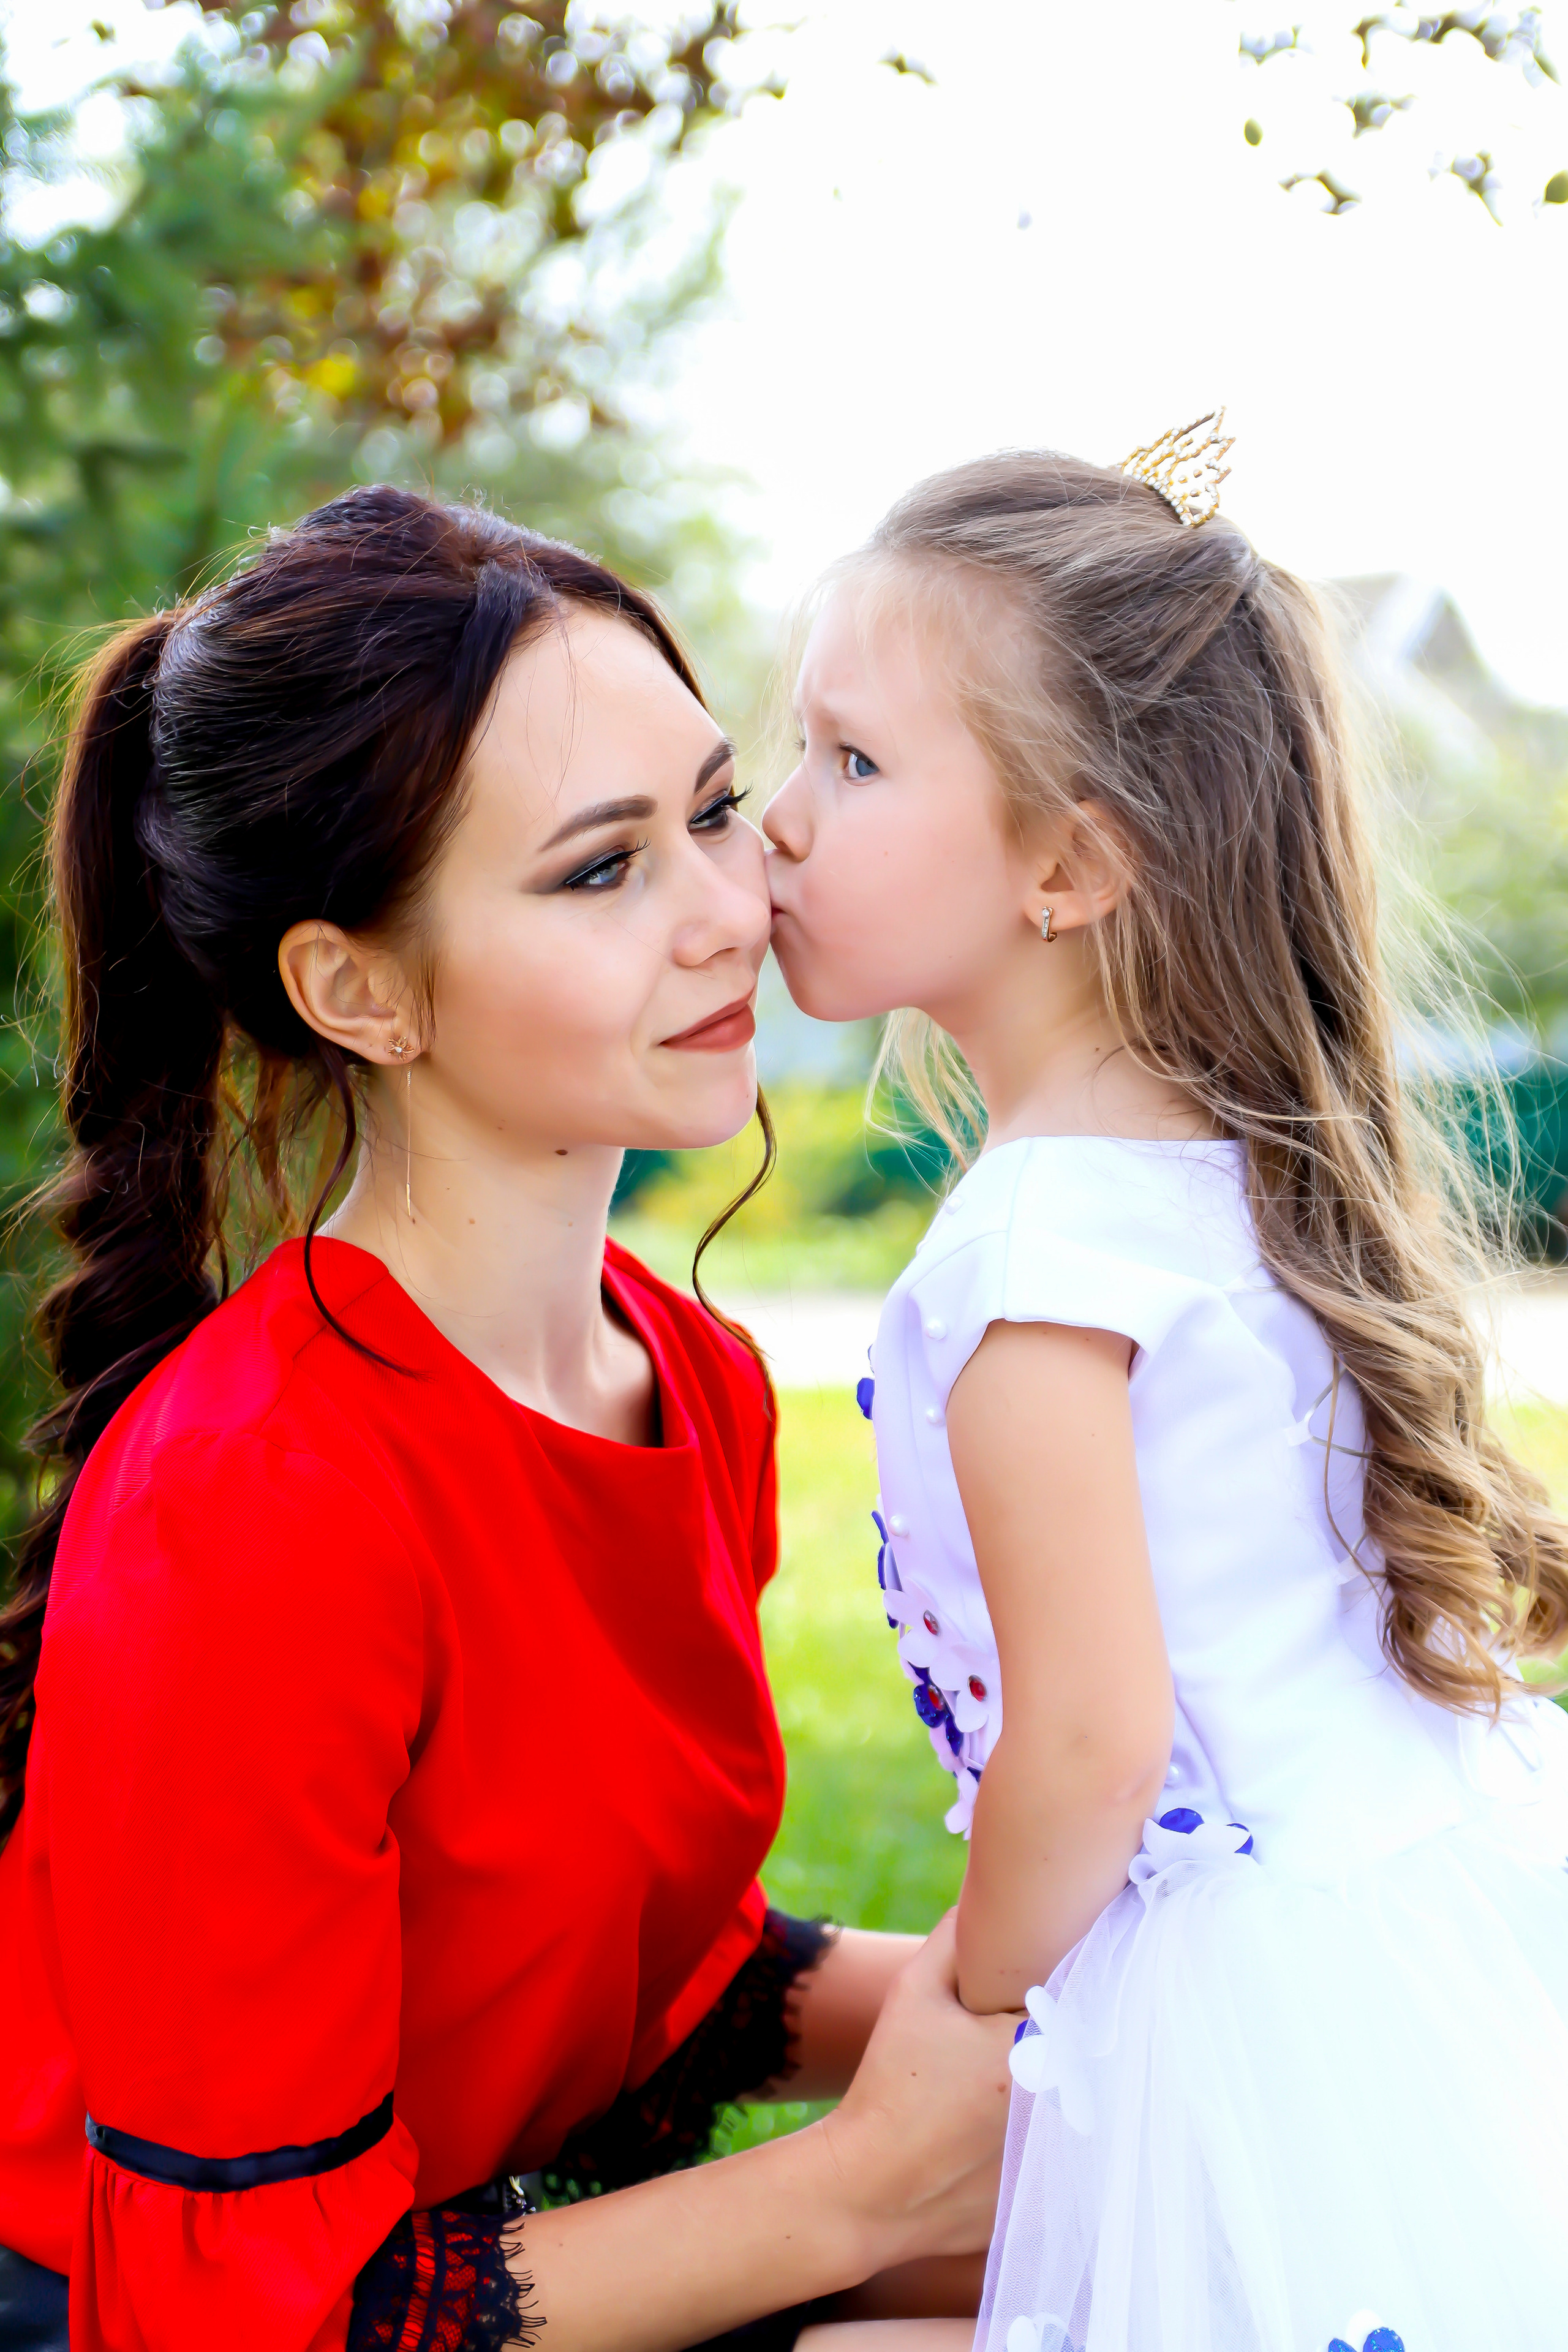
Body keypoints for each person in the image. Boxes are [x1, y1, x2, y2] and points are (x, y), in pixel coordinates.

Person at [0, 486, 1017, 2352]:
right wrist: (872, 2184)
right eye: (600, 871)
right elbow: (251, 2319)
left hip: (480, 2263)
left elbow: (638, 1977)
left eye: (715, 811)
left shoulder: (686, 1378)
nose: (730, 911)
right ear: (356, 989)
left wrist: (1137, 2011)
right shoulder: (255, 1504)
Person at [761, 430, 1568, 2352]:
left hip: (1243, 2015)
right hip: (1403, 1945)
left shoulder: (1039, 1253)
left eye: (851, 763)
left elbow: (1094, 1741)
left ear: (1068, 865)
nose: (775, 819)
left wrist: (972, 1993)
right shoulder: (1232, 1180)